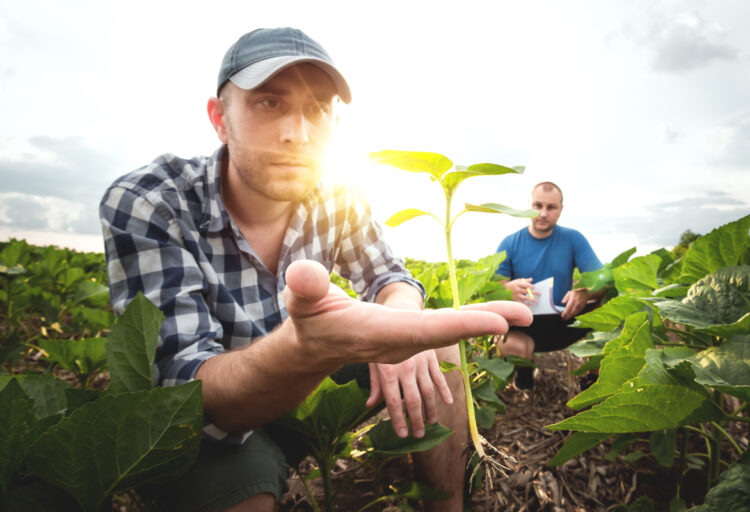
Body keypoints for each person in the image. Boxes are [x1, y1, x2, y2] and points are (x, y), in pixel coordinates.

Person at [100, 27, 531, 512]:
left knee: (437, 347)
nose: (298, 133)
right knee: (244, 491)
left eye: (318, 109)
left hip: (303, 391)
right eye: (269, 103)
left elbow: (390, 278)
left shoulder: (336, 193)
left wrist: (398, 320)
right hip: (211, 430)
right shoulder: (152, 202)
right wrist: (307, 350)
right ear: (219, 118)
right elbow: (182, 393)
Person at [495, 181, 604, 389]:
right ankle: (524, 376)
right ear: (529, 205)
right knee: (506, 339)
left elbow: (603, 280)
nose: (543, 213)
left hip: (564, 320)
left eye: (551, 207)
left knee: (608, 307)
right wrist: (506, 289)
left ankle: (594, 381)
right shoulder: (509, 243)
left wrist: (584, 292)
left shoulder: (573, 239)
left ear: (561, 210)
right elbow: (490, 292)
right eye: (537, 206)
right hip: (523, 325)